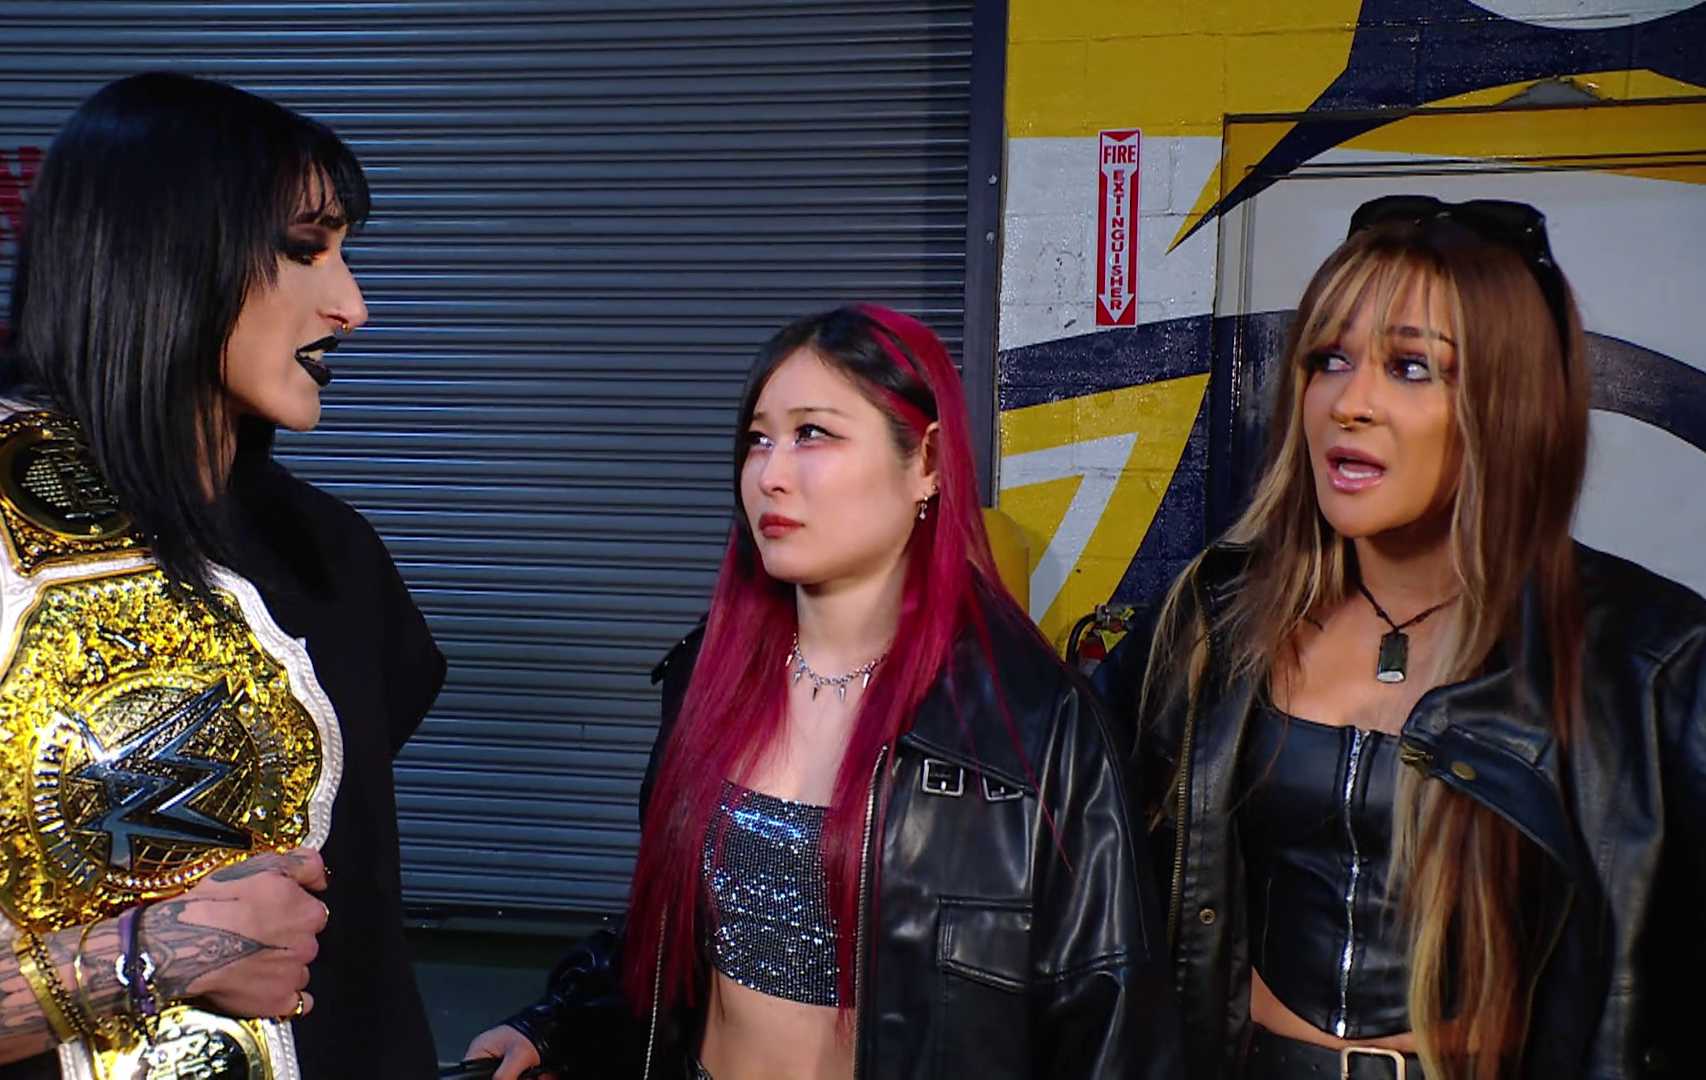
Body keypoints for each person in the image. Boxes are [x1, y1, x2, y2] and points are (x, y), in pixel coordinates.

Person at [0, 72, 446, 1079]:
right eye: (305, 248)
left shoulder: (335, 558)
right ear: (167, 253)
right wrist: (150, 957)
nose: (351, 306)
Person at [462, 305, 1178, 1080]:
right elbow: (667, 936)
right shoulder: (709, 677)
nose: (770, 474)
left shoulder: (1038, 728)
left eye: (812, 433)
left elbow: (1109, 1028)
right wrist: (559, 1024)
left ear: (928, 462)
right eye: (758, 439)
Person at [1099, 196, 1706, 1080]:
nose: (1351, 403)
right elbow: (1059, 822)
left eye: (1412, 367)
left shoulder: (1650, 660)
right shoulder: (1215, 618)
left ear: (1508, 403)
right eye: (1329, 360)